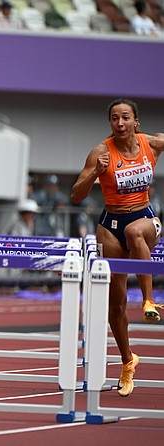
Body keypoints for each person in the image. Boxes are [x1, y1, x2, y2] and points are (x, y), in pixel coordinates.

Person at [70, 98, 163, 397]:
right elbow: (76, 195)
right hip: (110, 226)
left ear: (136, 121)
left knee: (137, 233)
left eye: (125, 118)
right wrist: (95, 172)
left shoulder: (153, 144)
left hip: (145, 219)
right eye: (114, 118)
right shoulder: (101, 152)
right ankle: (127, 361)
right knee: (115, 304)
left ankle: (149, 300)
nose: (119, 123)